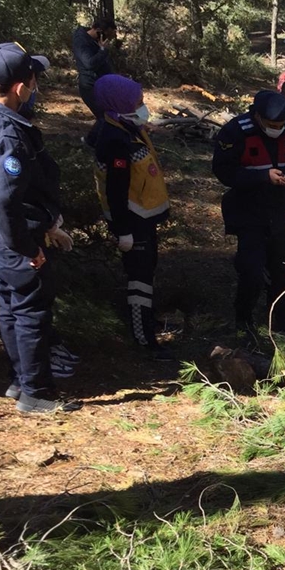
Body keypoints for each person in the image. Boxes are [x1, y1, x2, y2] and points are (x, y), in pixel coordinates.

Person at [0, 43, 78, 413]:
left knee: (9, 304)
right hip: (9, 232)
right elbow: (3, 201)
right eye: (33, 78)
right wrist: (28, 247)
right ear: (20, 88)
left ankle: (20, 381)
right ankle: (36, 393)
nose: (36, 85)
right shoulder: (7, 135)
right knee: (30, 308)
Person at [92, 74, 172, 358]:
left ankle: (148, 324)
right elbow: (116, 189)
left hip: (143, 219)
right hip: (133, 222)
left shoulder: (124, 126)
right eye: (138, 102)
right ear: (120, 103)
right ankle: (144, 339)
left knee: (147, 272)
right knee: (139, 278)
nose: (143, 106)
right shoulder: (115, 139)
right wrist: (123, 230)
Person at [212, 90, 285, 340]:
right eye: (272, 125)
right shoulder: (235, 131)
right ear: (258, 117)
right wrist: (262, 177)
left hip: (282, 211)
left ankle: (283, 326)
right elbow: (223, 171)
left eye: (281, 125)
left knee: (282, 270)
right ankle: (244, 321)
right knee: (251, 269)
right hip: (248, 210)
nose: (277, 129)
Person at [72, 21, 116, 118]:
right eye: (106, 35)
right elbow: (89, 64)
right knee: (104, 117)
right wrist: (103, 50)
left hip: (102, 83)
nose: (106, 39)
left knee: (109, 116)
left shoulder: (94, 41)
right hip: (90, 85)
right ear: (99, 31)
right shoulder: (81, 41)